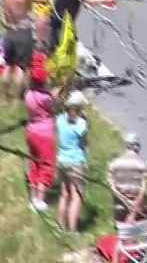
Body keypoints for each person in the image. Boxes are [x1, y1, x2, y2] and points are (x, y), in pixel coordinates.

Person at [1, 0, 40, 99]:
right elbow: (39, 0)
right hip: (23, 31)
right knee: (20, 67)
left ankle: (4, 95)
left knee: (8, 65)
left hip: (9, 30)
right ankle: (19, 96)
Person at [56, 90, 90, 231]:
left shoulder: (60, 119)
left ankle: (60, 225)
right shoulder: (81, 124)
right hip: (75, 160)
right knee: (77, 195)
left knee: (64, 193)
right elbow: (84, 143)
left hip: (61, 158)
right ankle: (72, 228)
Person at [24, 64, 57, 211]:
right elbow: (54, 106)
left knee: (34, 163)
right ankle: (40, 199)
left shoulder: (28, 94)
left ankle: (32, 197)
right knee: (46, 164)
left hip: (31, 130)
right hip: (45, 132)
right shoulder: (45, 97)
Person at [108, 132, 147, 224]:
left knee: (122, 233)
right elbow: (143, 189)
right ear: (137, 147)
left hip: (119, 206)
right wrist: (134, 206)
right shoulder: (143, 165)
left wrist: (124, 200)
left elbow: (111, 186)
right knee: (139, 234)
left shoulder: (114, 164)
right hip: (139, 207)